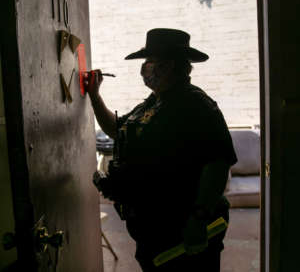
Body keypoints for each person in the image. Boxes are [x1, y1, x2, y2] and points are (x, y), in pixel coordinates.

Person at [88, 28, 237, 271]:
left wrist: (199, 219)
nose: (143, 69)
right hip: (153, 230)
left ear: (168, 66)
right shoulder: (153, 102)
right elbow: (117, 129)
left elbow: (218, 164)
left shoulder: (195, 104)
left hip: (182, 230)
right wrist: (94, 95)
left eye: (149, 62)